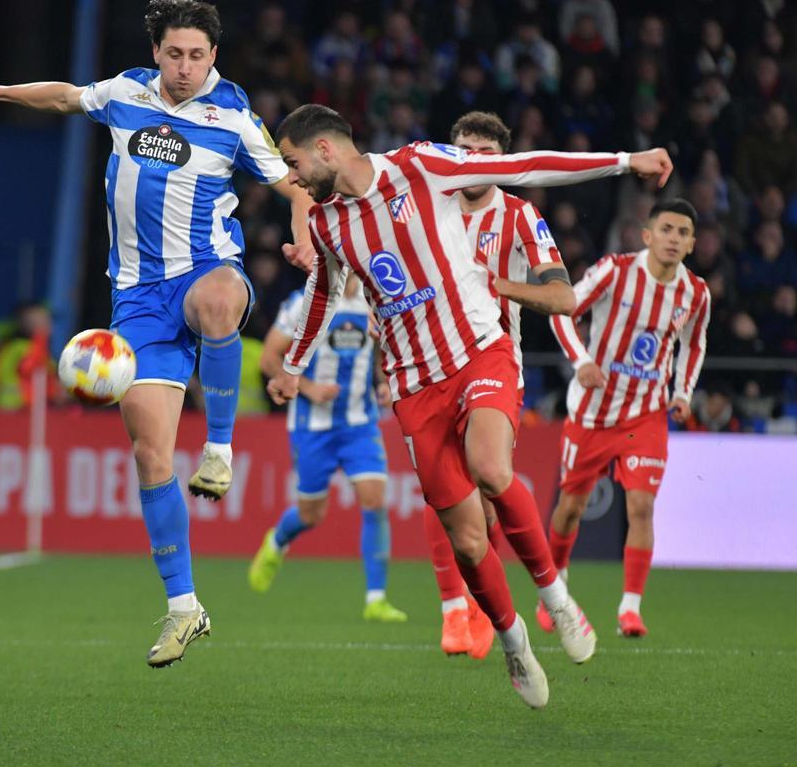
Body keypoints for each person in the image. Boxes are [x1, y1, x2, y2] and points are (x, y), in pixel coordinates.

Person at [0, 0, 314, 667]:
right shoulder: (125, 92)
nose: (185, 67)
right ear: (156, 52)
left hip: (206, 269)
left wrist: (302, 235)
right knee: (150, 457)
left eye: (197, 55)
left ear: (214, 55)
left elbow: (294, 184)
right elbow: (65, 98)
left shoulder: (233, 113)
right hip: (138, 299)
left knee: (218, 304)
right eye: (174, 54)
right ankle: (184, 607)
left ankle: (221, 450)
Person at [267, 103, 672, 708]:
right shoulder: (327, 224)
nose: (293, 179)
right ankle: (514, 643)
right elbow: (322, 292)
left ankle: (556, 598)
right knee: (467, 541)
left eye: (294, 163)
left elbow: (525, 164)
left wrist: (624, 161)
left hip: (479, 351)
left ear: (324, 149)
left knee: (490, 467)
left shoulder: (419, 166)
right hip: (413, 385)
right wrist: (294, 366)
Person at [413, 112, 580, 660]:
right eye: (465, 149)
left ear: (503, 161)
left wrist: (498, 285)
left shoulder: (519, 216)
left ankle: (488, 604)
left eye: (486, 153)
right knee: (447, 494)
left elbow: (563, 298)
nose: (474, 160)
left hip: (493, 362)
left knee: (486, 496)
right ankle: (455, 610)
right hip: (429, 368)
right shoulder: (425, 207)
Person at [547, 199, 710, 638]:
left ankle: (630, 608)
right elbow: (563, 310)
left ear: (692, 244)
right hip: (593, 412)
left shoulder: (695, 293)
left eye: (683, 233)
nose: (674, 238)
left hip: (646, 416)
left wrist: (682, 392)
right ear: (647, 235)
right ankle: (554, 590)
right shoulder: (614, 272)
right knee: (570, 509)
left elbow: (694, 344)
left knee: (642, 506)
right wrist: (581, 361)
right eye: (667, 229)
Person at [249, 276, 408, 623]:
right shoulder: (303, 301)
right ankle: (276, 542)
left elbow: (382, 348)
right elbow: (269, 358)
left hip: (359, 423)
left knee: (375, 501)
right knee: (311, 514)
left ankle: (376, 599)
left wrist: (383, 382)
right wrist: (308, 388)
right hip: (312, 426)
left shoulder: (373, 300)